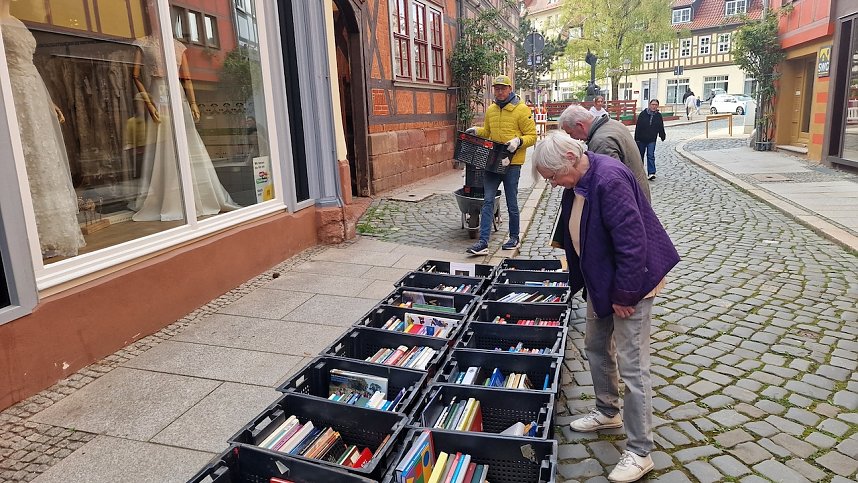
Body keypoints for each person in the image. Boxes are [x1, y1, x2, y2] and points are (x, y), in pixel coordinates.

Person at [532, 131, 680, 483]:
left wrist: (626, 295)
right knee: (596, 347)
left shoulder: (608, 179)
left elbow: (632, 243)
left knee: (633, 367)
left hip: (632, 287)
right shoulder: (578, 181)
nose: (552, 185)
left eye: (552, 176)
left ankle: (641, 451)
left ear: (570, 156)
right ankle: (606, 410)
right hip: (602, 283)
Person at [2, 4, 86, 258]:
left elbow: (32, 65)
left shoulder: (16, 20)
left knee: (44, 156)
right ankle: (30, 235)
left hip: (33, 92)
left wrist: (48, 100)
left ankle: (52, 233)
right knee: (27, 157)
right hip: (14, 93)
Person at [129, 34, 240, 222]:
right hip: (157, 94)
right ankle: (167, 197)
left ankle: (196, 196)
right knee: (163, 145)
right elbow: (135, 75)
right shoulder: (143, 43)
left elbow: (187, 78)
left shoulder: (179, 46)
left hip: (178, 97)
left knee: (186, 142)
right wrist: (149, 104)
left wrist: (193, 103)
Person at [464, 74, 537, 255]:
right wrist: (476, 131)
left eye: (503, 88)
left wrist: (518, 142)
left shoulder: (521, 110)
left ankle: (514, 237)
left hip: (512, 163)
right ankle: (483, 242)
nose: (499, 91)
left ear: (510, 89)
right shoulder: (491, 110)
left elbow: (532, 136)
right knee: (488, 200)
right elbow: (488, 132)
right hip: (493, 162)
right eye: (497, 89)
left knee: (512, 201)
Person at [558, 104, 650, 201]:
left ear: (580, 125)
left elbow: (610, 183)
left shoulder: (601, 141)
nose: (572, 138)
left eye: (571, 133)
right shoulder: (613, 124)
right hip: (639, 192)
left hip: (631, 201)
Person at [634, 99, 665, 181]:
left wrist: (662, 135)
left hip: (652, 139)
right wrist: (636, 139)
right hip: (641, 139)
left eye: (656, 105)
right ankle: (639, 172)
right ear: (649, 105)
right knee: (640, 156)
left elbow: (660, 126)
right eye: (652, 104)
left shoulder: (658, 115)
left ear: (657, 106)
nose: (654, 106)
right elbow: (638, 127)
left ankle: (651, 172)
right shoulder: (643, 114)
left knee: (650, 155)